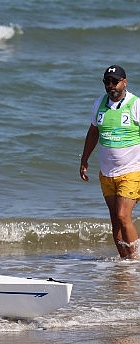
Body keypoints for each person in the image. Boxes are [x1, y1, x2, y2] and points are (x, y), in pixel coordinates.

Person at [80, 65, 140, 259]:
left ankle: (136, 259)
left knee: (123, 216)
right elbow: (93, 132)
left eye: (115, 81)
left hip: (132, 171)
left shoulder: (136, 104)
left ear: (125, 82)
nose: (111, 86)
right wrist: (84, 159)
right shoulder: (100, 103)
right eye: (107, 82)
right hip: (107, 173)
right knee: (115, 219)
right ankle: (125, 262)